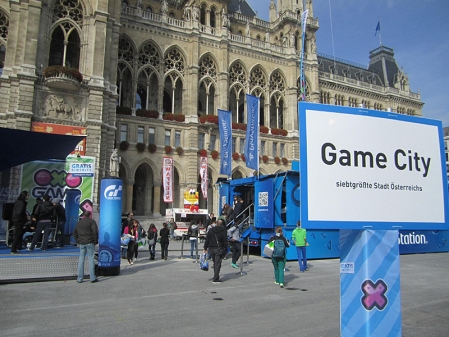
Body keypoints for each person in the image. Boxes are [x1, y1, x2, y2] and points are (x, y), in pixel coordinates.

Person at [73, 210, 98, 283]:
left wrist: (78, 241)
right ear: (90, 215)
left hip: (82, 243)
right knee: (91, 259)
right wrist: (95, 241)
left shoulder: (79, 223)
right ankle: (92, 277)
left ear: (83, 215)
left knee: (81, 259)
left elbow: (74, 233)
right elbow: (95, 232)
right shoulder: (92, 222)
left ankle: (80, 278)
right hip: (90, 242)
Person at [203, 218, 228, 284]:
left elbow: (207, 239)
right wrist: (225, 249)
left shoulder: (211, 230)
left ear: (216, 223)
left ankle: (215, 276)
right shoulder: (223, 230)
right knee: (217, 264)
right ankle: (216, 279)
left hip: (211, 248)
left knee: (215, 263)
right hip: (218, 248)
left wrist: (205, 248)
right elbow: (225, 241)